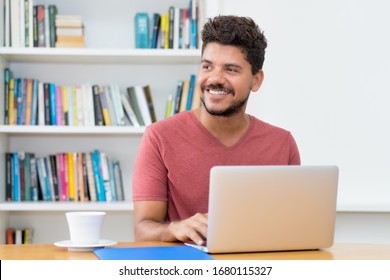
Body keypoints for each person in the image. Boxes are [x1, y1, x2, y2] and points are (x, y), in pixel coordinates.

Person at [132, 15, 300, 246]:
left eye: (230, 69)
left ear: (256, 80)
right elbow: (143, 230)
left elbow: (293, 227)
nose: (214, 79)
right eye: (207, 66)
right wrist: (177, 228)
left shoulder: (282, 143)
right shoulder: (159, 137)